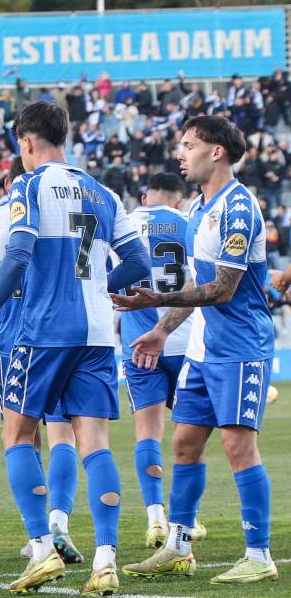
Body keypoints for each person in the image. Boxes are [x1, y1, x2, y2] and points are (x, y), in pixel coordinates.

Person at [0, 101, 150, 597]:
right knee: (95, 444)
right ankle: (106, 559)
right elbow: (139, 260)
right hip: (94, 334)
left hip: (41, 331)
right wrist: (100, 286)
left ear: (27, 142)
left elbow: (20, 249)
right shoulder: (104, 191)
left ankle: (43, 550)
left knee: (18, 436)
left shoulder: (29, 185)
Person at [114, 115, 278, 585]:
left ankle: (259, 553)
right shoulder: (198, 211)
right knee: (184, 444)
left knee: (237, 447)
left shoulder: (239, 209)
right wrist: (163, 330)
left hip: (241, 348)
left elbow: (223, 290)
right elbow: (195, 284)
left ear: (217, 151)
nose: (180, 154)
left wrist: (156, 300)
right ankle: (178, 547)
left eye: (188, 145)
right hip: (204, 351)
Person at [0, 156, 85, 566]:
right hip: (59, 331)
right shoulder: (69, 205)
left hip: (15, 337)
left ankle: (36, 534)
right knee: (63, 433)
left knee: (21, 435)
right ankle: (59, 524)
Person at [116, 172, 206, 549]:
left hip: (140, 345)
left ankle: (155, 517)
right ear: (179, 200)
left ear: (144, 195)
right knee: (191, 438)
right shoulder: (189, 223)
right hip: (185, 343)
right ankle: (187, 519)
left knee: (148, 432)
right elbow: (202, 281)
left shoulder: (124, 223)